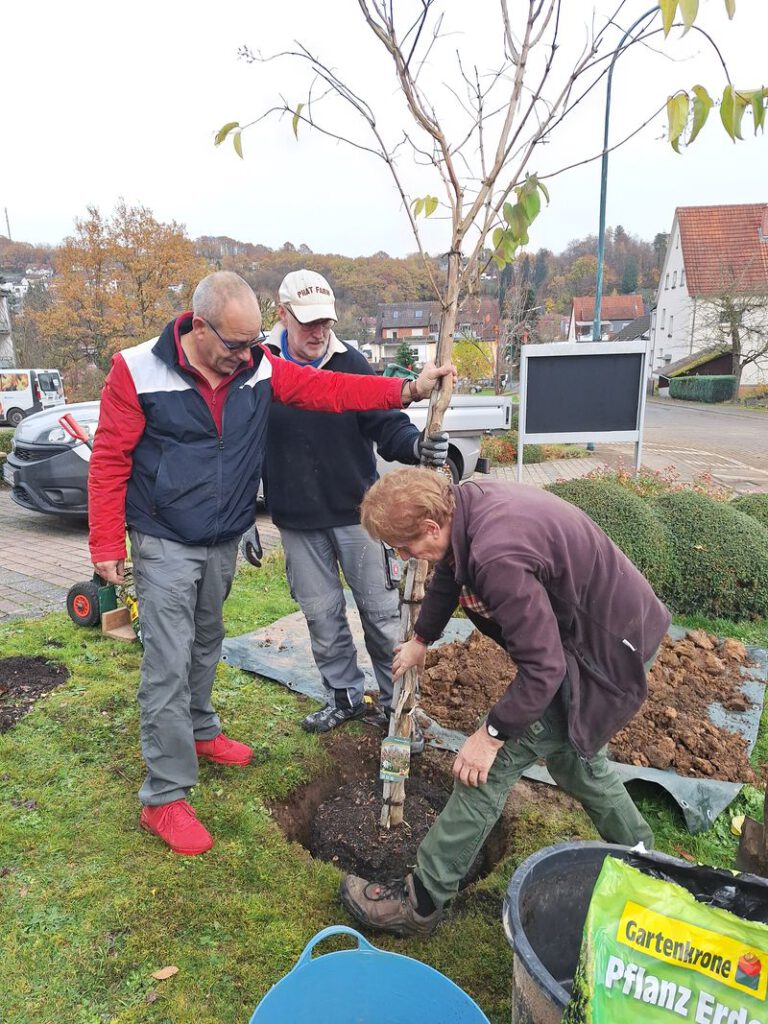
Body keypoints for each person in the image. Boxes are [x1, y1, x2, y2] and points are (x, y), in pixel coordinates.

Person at [87, 272, 453, 857]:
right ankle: (164, 795)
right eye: (235, 344)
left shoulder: (255, 366)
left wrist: (406, 390)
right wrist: (106, 540)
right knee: (167, 661)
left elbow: (329, 390)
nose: (247, 355)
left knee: (207, 641)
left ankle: (199, 729)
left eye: (253, 343)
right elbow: (109, 457)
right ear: (199, 327)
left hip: (220, 536)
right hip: (164, 536)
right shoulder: (137, 370)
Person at [340, 467, 671, 936]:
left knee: (482, 770)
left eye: (404, 547)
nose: (403, 556)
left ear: (431, 526)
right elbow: (450, 572)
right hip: (609, 628)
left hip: (607, 648)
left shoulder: (496, 556)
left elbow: (545, 669)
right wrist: (422, 639)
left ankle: (421, 902)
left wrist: (491, 735)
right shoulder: (463, 507)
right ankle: (649, 865)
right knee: (576, 763)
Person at [252, 268, 449, 743]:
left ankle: (396, 705)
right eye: (308, 323)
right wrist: (243, 516)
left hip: (358, 517)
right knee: (321, 615)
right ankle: (342, 695)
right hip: (297, 519)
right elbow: (244, 443)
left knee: (382, 617)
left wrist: (415, 445)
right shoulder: (260, 368)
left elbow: (385, 423)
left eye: (326, 321)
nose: (319, 332)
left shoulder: (351, 363)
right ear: (282, 315)